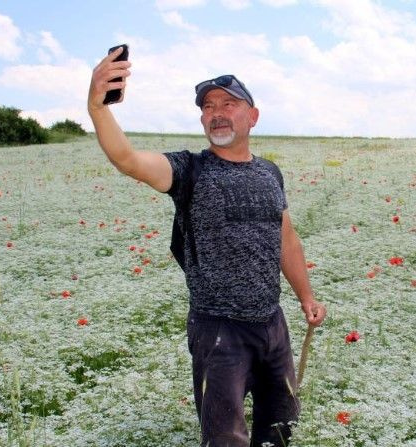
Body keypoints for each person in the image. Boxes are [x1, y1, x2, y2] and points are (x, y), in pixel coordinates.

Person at [88, 47, 326, 447]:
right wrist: (97, 106)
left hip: (272, 323)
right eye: (208, 106)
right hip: (218, 332)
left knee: (281, 428)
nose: (216, 112)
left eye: (229, 104)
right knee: (224, 437)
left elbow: (285, 237)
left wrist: (306, 296)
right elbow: (127, 159)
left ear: (253, 116)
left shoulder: (270, 173)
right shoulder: (189, 170)